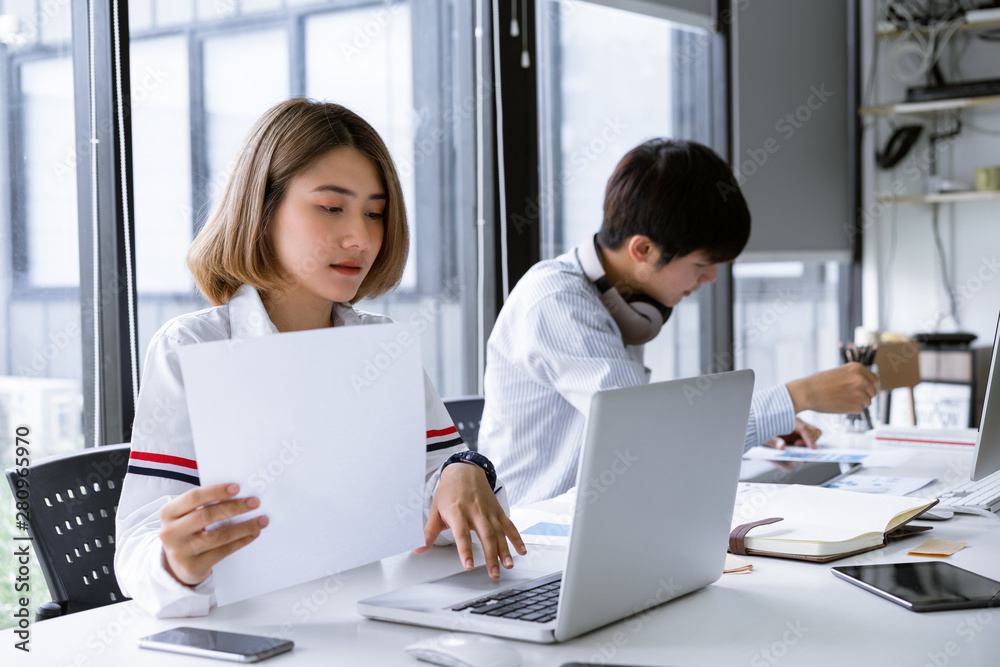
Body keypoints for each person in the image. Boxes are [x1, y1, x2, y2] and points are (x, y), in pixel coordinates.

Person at [115, 98, 525, 618]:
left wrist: (465, 472)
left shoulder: (380, 347)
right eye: (332, 207)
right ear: (261, 209)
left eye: (375, 213)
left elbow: (436, 513)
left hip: (369, 623)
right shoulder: (192, 349)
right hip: (246, 632)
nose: (361, 237)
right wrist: (173, 563)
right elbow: (136, 547)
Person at [478, 139, 878, 506]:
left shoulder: (621, 302)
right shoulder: (559, 304)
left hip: (598, 528)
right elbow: (651, 438)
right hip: (533, 542)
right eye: (701, 265)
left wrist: (754, 426)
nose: (711, 279)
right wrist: (797, 396)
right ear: (644, 249)